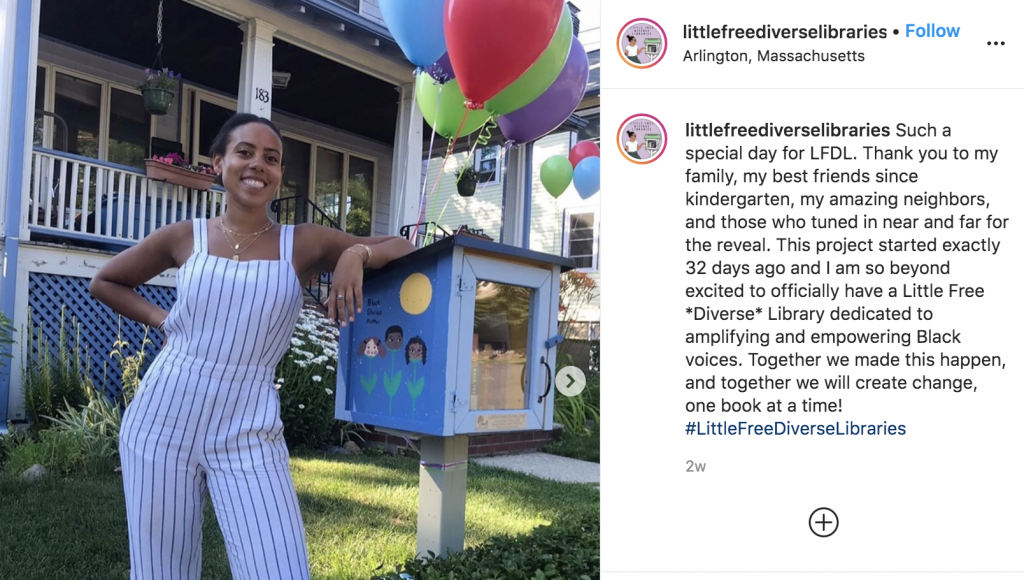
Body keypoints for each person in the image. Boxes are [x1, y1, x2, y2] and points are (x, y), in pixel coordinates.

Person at [90, 112, 416, 579]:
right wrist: (167, 322)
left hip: (248, 423)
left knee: (278, 567)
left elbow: (402, 249)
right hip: (162, 416)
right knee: (162, 569)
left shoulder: (299, 243)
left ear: (281, 174)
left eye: (272, 158)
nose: (257, 165)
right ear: (219, 162)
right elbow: (106, 281)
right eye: (245, 152)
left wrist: (355, 253)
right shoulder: (187, 236)